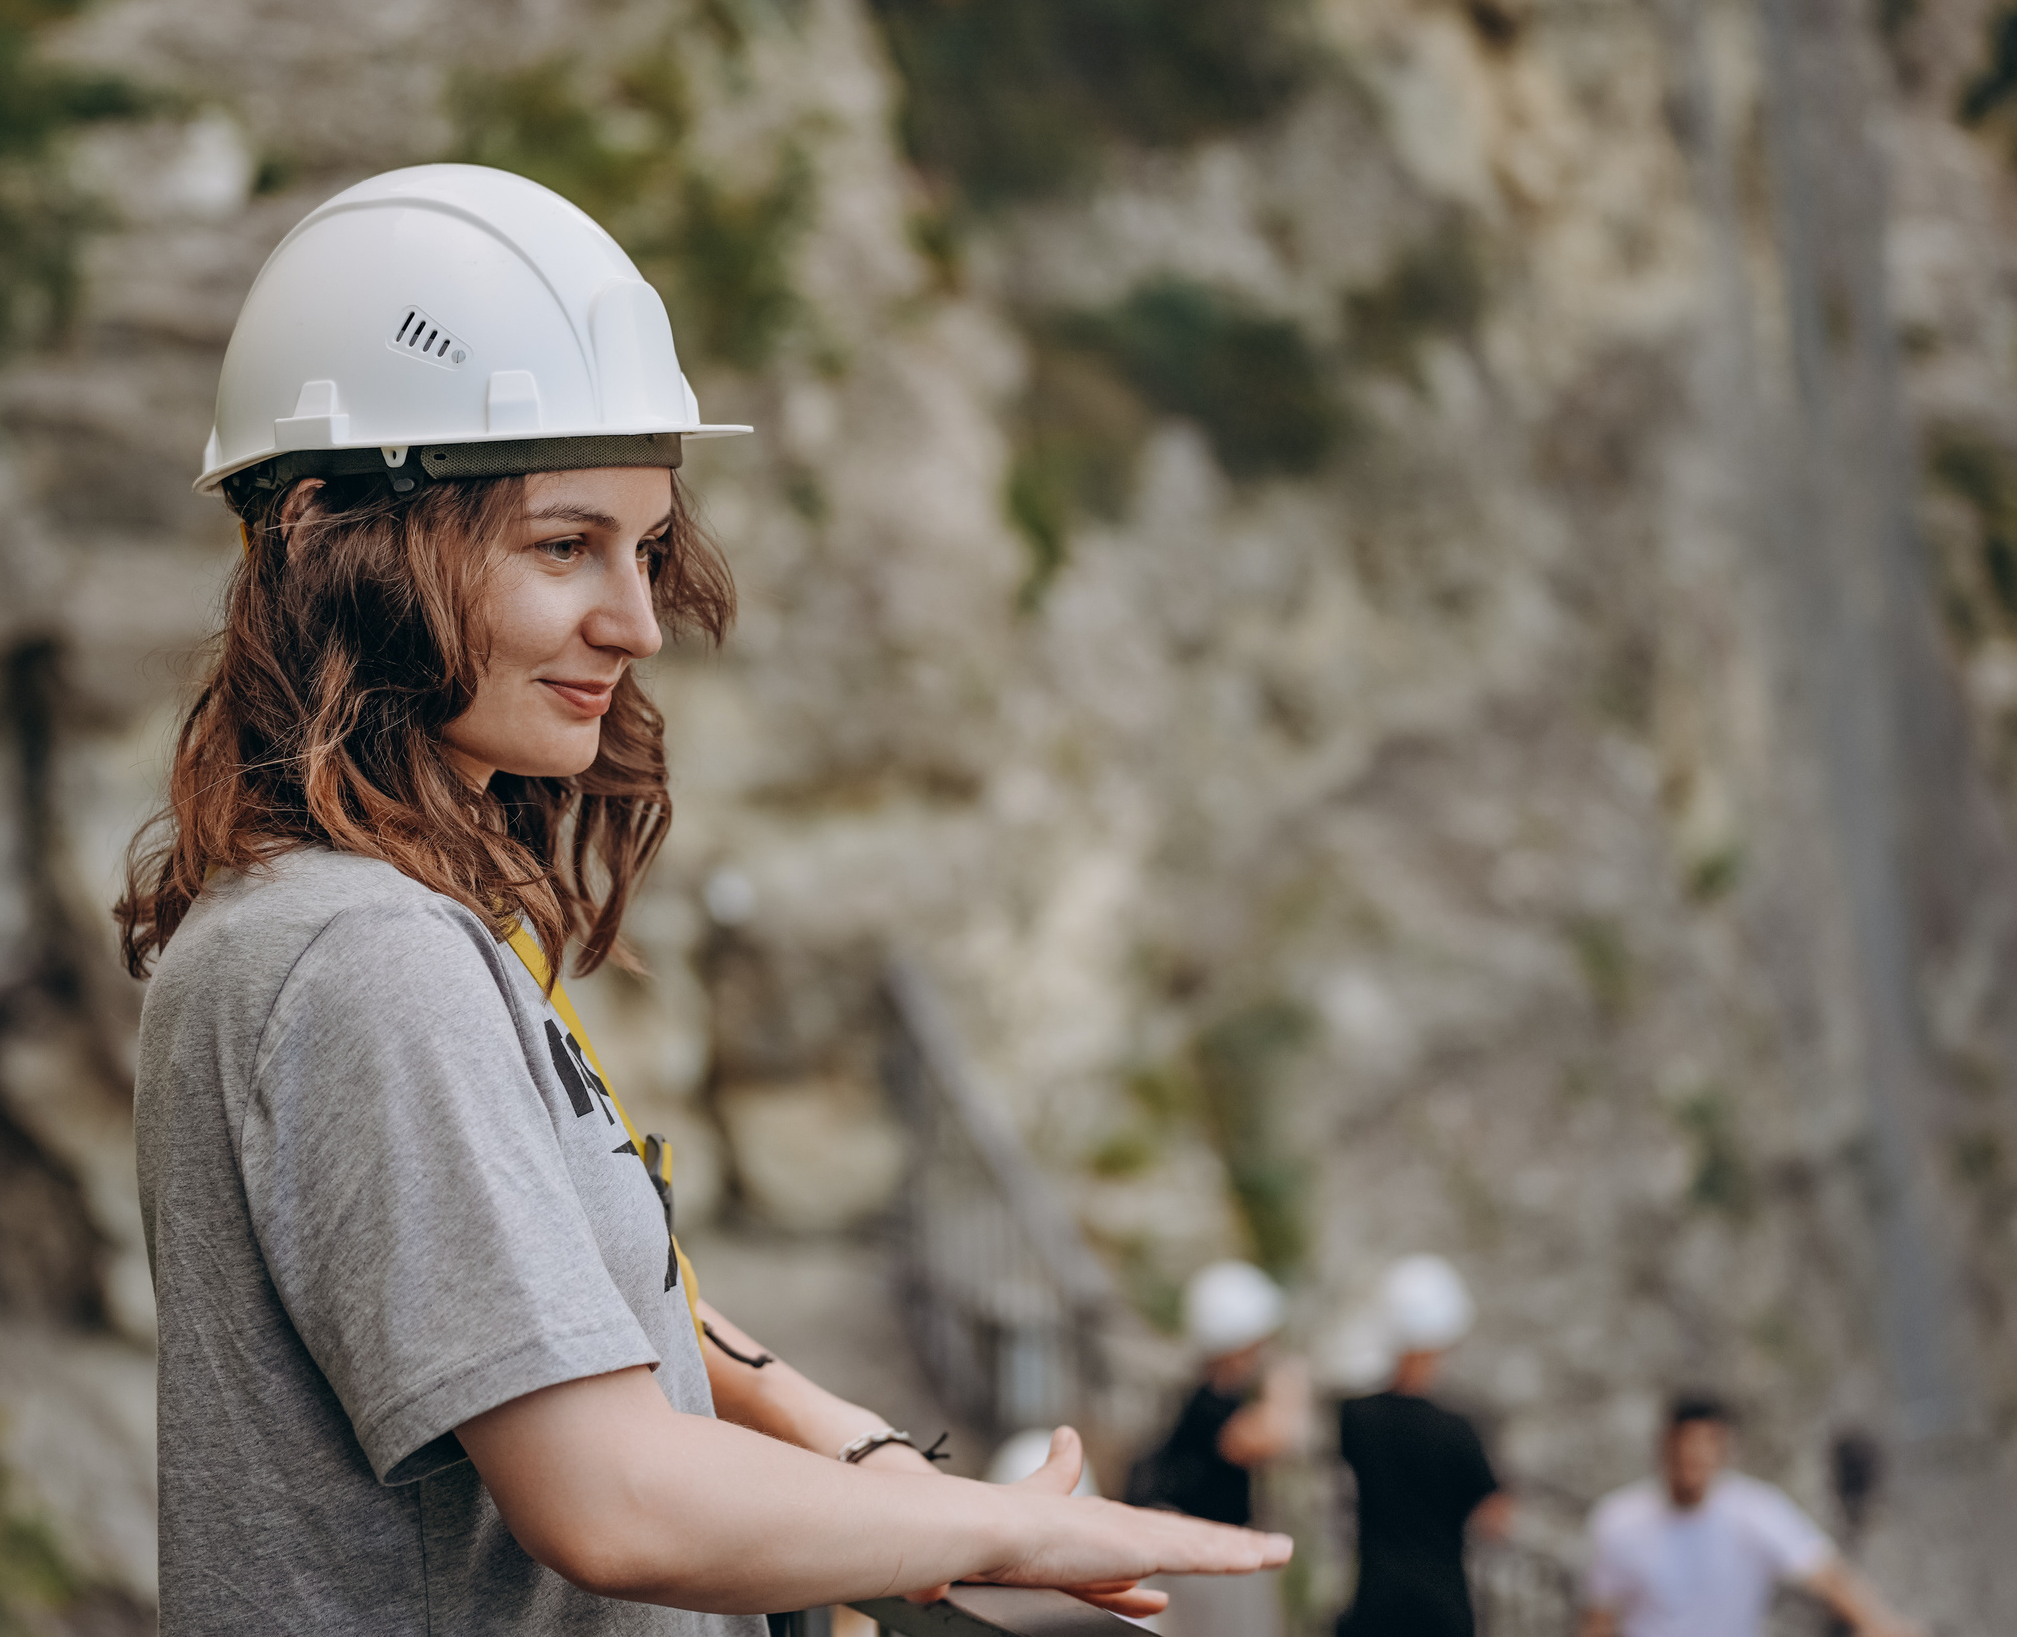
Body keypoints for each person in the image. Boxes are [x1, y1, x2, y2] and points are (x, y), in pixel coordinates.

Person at [122, 162, 1293, 1636]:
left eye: (646, 545)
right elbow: (610, 1498)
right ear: (320, 534)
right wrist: (981, 1521)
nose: (636, 620)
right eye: (564, 544)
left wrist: (827, 1426)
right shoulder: (365, 961)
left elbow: (546, 1285)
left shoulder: (347, 926)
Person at [1580, 1394, 1916, 1637]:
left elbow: (1826, 1574)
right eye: (1687, 1443)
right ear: (1666, 1445)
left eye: (1707, 1444)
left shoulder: (1756, 1511)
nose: (1695, 1456)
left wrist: (1880, 1625)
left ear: (1723, 1450)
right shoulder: (1618, 1520)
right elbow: (1600, 1617)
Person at [1124, 1260, 1307, 1636]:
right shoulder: (1210, 1404)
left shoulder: (1206, 1397)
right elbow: (1270, 1437)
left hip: (1206, 1558)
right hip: (1207, 1565)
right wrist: (1288, 1386)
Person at [1335, 1255, 1512, 1637]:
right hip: (1441, 1608)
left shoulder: (1356, 1416)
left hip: (1374, 1602)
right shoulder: (1458, 1429)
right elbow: (1495, 1518)